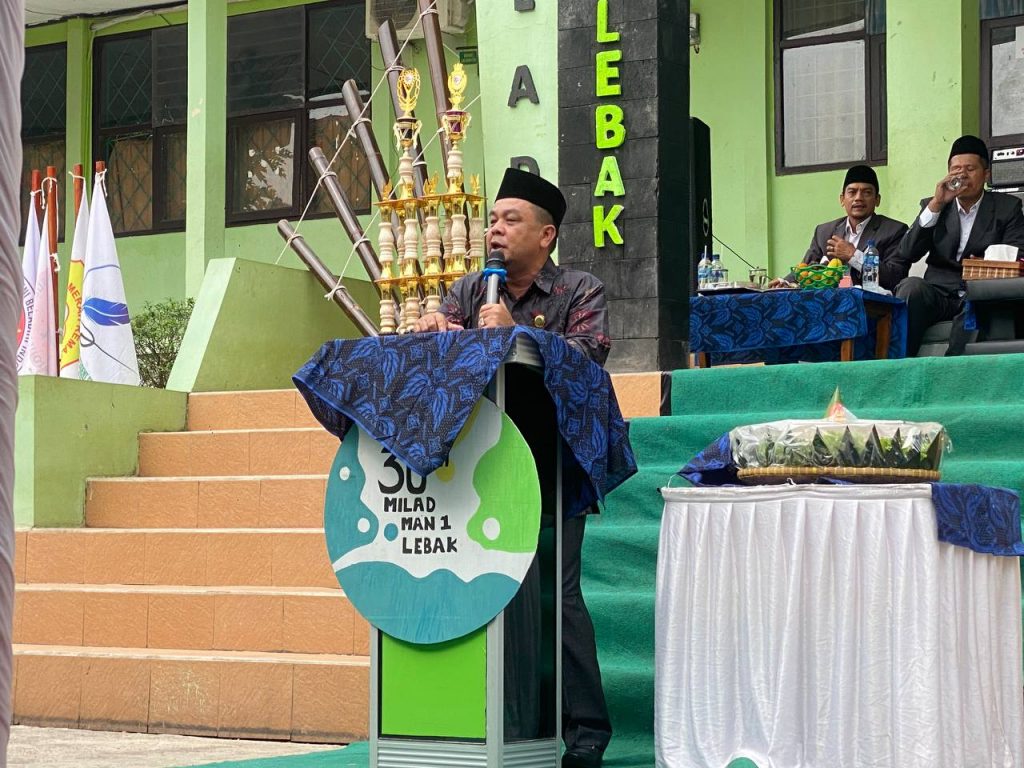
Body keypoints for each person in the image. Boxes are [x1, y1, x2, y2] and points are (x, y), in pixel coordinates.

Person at [414, 167, 611, 768]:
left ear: (546, 235)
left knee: (559, 593)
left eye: (511, 220)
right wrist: (436, 329)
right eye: (493, 220)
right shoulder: (472, 289)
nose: (495, 230)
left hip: (553, 458)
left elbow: (589, 357)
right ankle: (496, 724)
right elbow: (446, 346)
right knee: (482, 586)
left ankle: (586, 734)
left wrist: (516, 332)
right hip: (479, 462)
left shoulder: (580, 289)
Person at [890, 135, 1024, 356]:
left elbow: (1018, 252)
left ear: (986, 174)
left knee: (977, 301)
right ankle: (900, 364)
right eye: (956, 170)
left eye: (970, 169)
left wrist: (985, 265)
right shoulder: (935, 205)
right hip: (938, 292)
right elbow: (907, 252)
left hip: (978, 290)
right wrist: (936, 204)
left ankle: (954, 369)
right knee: (911, 287)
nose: (962, 176)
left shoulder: (1007, 208)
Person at [770, 165, 907, 288]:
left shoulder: (894, 231)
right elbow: (807, 268)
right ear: (842, 199)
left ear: (877, 200)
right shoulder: (824, 232)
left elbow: (895, 277)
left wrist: (853, 255)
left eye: (866, 192)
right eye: (852, 192)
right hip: (829, 302)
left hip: (870, 303)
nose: (858, 198)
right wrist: (786, 282)